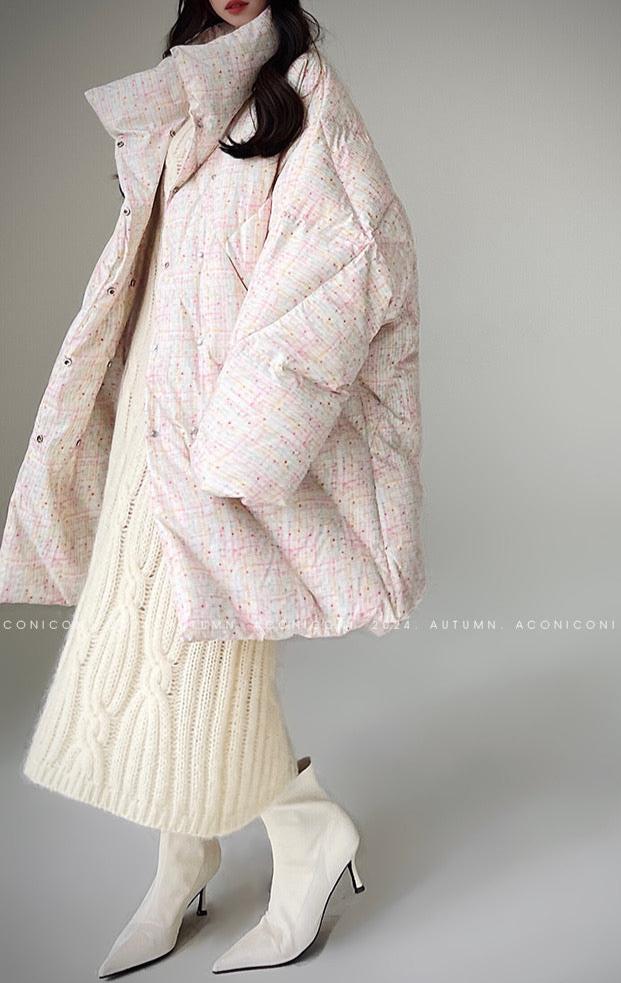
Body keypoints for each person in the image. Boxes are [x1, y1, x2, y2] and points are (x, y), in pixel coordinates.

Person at [0, 0, 425, 976]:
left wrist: (249, 426)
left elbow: (354, 248)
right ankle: (183, 857)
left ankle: (307, 835)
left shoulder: (303, 93)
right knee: (139, 633)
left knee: (201, 660)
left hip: (224, 424)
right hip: (152, 410)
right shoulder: (189, 87)